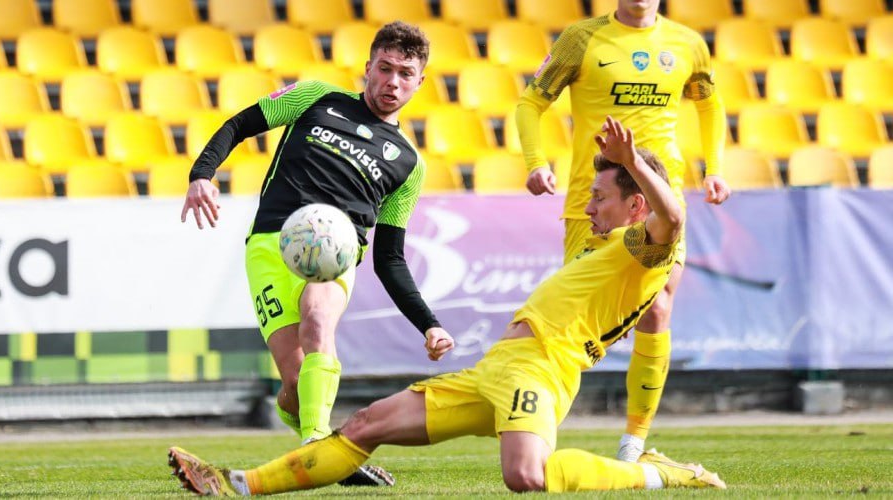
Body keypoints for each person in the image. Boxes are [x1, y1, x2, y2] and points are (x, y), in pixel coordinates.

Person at [167, 117, 727, 496]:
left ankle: (655, 474)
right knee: (364, 424)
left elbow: (674, 218)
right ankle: (236, 484)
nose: (589, 206)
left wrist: (635, 161)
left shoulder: (644, 249)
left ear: (636, 205)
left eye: (599, 197)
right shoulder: (610, 244)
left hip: (543, 369)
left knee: (526, 476)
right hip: (495, 369)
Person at [180, 21, 455, 487]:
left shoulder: (409, 164)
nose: (392, 82)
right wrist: (202, 174)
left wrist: (429, 323)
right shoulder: (314, 97)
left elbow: (389, 257)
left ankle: (319, 448)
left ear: (420, 82)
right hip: (270, 246)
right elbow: (239, 125)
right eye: (385, 68)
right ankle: (323, 440)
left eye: (405, 74)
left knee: (318, 316)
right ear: (367, 67)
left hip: (336, 255)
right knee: (293, 389)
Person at [515, 0, 732, 462]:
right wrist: (535, 162)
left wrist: (714, 168)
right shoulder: (580, 39)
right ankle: (534, 425)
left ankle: (634, 441)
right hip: (593, 202)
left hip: (660, 199)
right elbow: (531, 102)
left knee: (658, 308)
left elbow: (710, 103)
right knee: (571, 322)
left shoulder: (689, 44)